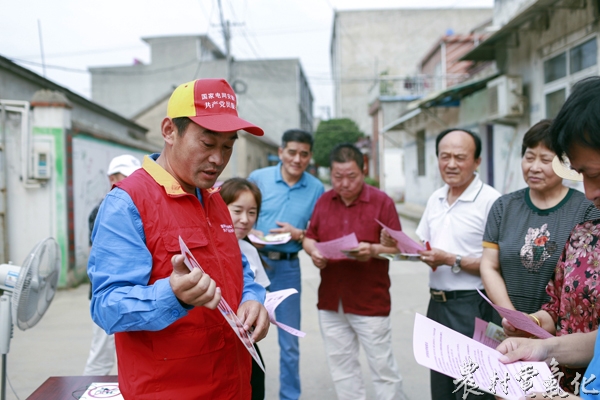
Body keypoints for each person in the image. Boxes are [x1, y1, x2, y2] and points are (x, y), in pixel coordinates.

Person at [88, 78, 269, 399]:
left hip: (233, 383)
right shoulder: (128, 203)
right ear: (170, 131)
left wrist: (253, 299)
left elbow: (239, 269)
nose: (218, 158)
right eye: (207, 144)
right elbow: (106, 307)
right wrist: (173, 295)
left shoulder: (213, 198)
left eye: (228, 146)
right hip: (169, 389)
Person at [497, 76, 600, 400]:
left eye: (595, 175)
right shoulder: (585, 237)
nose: (589, 192)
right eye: (581, 175)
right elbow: (561, 311)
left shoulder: (578, 211)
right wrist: (541, 346)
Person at [387, 128, 501, 400]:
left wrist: (451, 259)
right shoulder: (436, 198)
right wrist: (397, 245)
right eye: (444, 156)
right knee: (442, 388)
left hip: (475, 305)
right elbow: (423, 247)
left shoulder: (492, 202)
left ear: (477, 162)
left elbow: (497, 264)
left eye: (460, 157)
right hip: (437, 305)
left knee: (474, 390)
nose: (451, 164)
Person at [303, 143, 408, 400]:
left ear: (363, 171)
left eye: (351, 176)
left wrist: (372, 250)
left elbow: (399, 249)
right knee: (342, 369)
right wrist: (314, 252)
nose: (344, 183)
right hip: (330, 301)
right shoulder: (325, 201)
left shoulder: (382, 202)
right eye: (338, 177)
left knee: (383, 369)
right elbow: (309, 237)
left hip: (370, 301)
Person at [248, 129, 324, 400]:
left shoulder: (316, 188)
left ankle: (289, 397)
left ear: (310, 157)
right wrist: (249, 233)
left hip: (288, 268)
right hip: (253, 265)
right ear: (280, 153)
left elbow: (316, 232)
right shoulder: (259, 179)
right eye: (291, 152)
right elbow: (237, 210)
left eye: (304, 154)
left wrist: (299, 234)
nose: (297, 159)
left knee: (289, 341)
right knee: (242, 334)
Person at [83, 154, 141, 376]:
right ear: (112, 178)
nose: (129, 182)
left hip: (134, 297)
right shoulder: (104, 210)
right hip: (109, 297)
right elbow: (96, 259)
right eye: (124, 177)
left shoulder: (134, 204)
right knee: (101, 356)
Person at [220, 177, 271, 400]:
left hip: (245, 342)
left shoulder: (250, 251)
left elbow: (262, 292)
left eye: (252, 213)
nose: (244, 219)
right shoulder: (215, 247)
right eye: (237, 210)